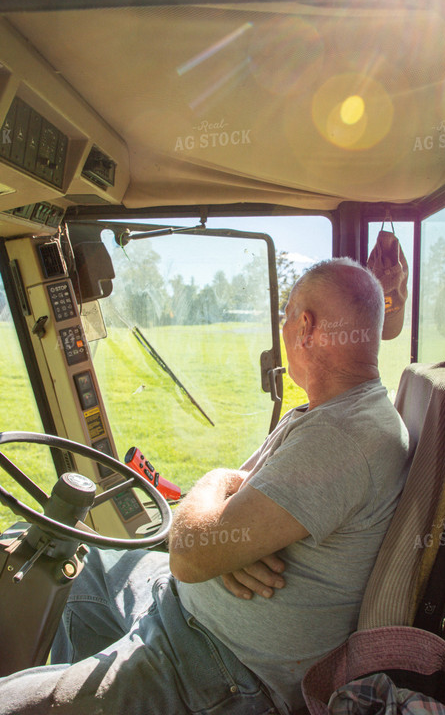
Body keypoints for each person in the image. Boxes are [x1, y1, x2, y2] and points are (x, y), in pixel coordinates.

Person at [0, 258, 409, 715]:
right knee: (78, 563)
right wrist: (226, 547)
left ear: (306, 327)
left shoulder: (343, 436)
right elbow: (214, 536)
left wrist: (215, 497)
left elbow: (190, 551)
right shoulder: (336, 412)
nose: (283, 327)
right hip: (183, 608)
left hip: (218, 667)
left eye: (286, 315)